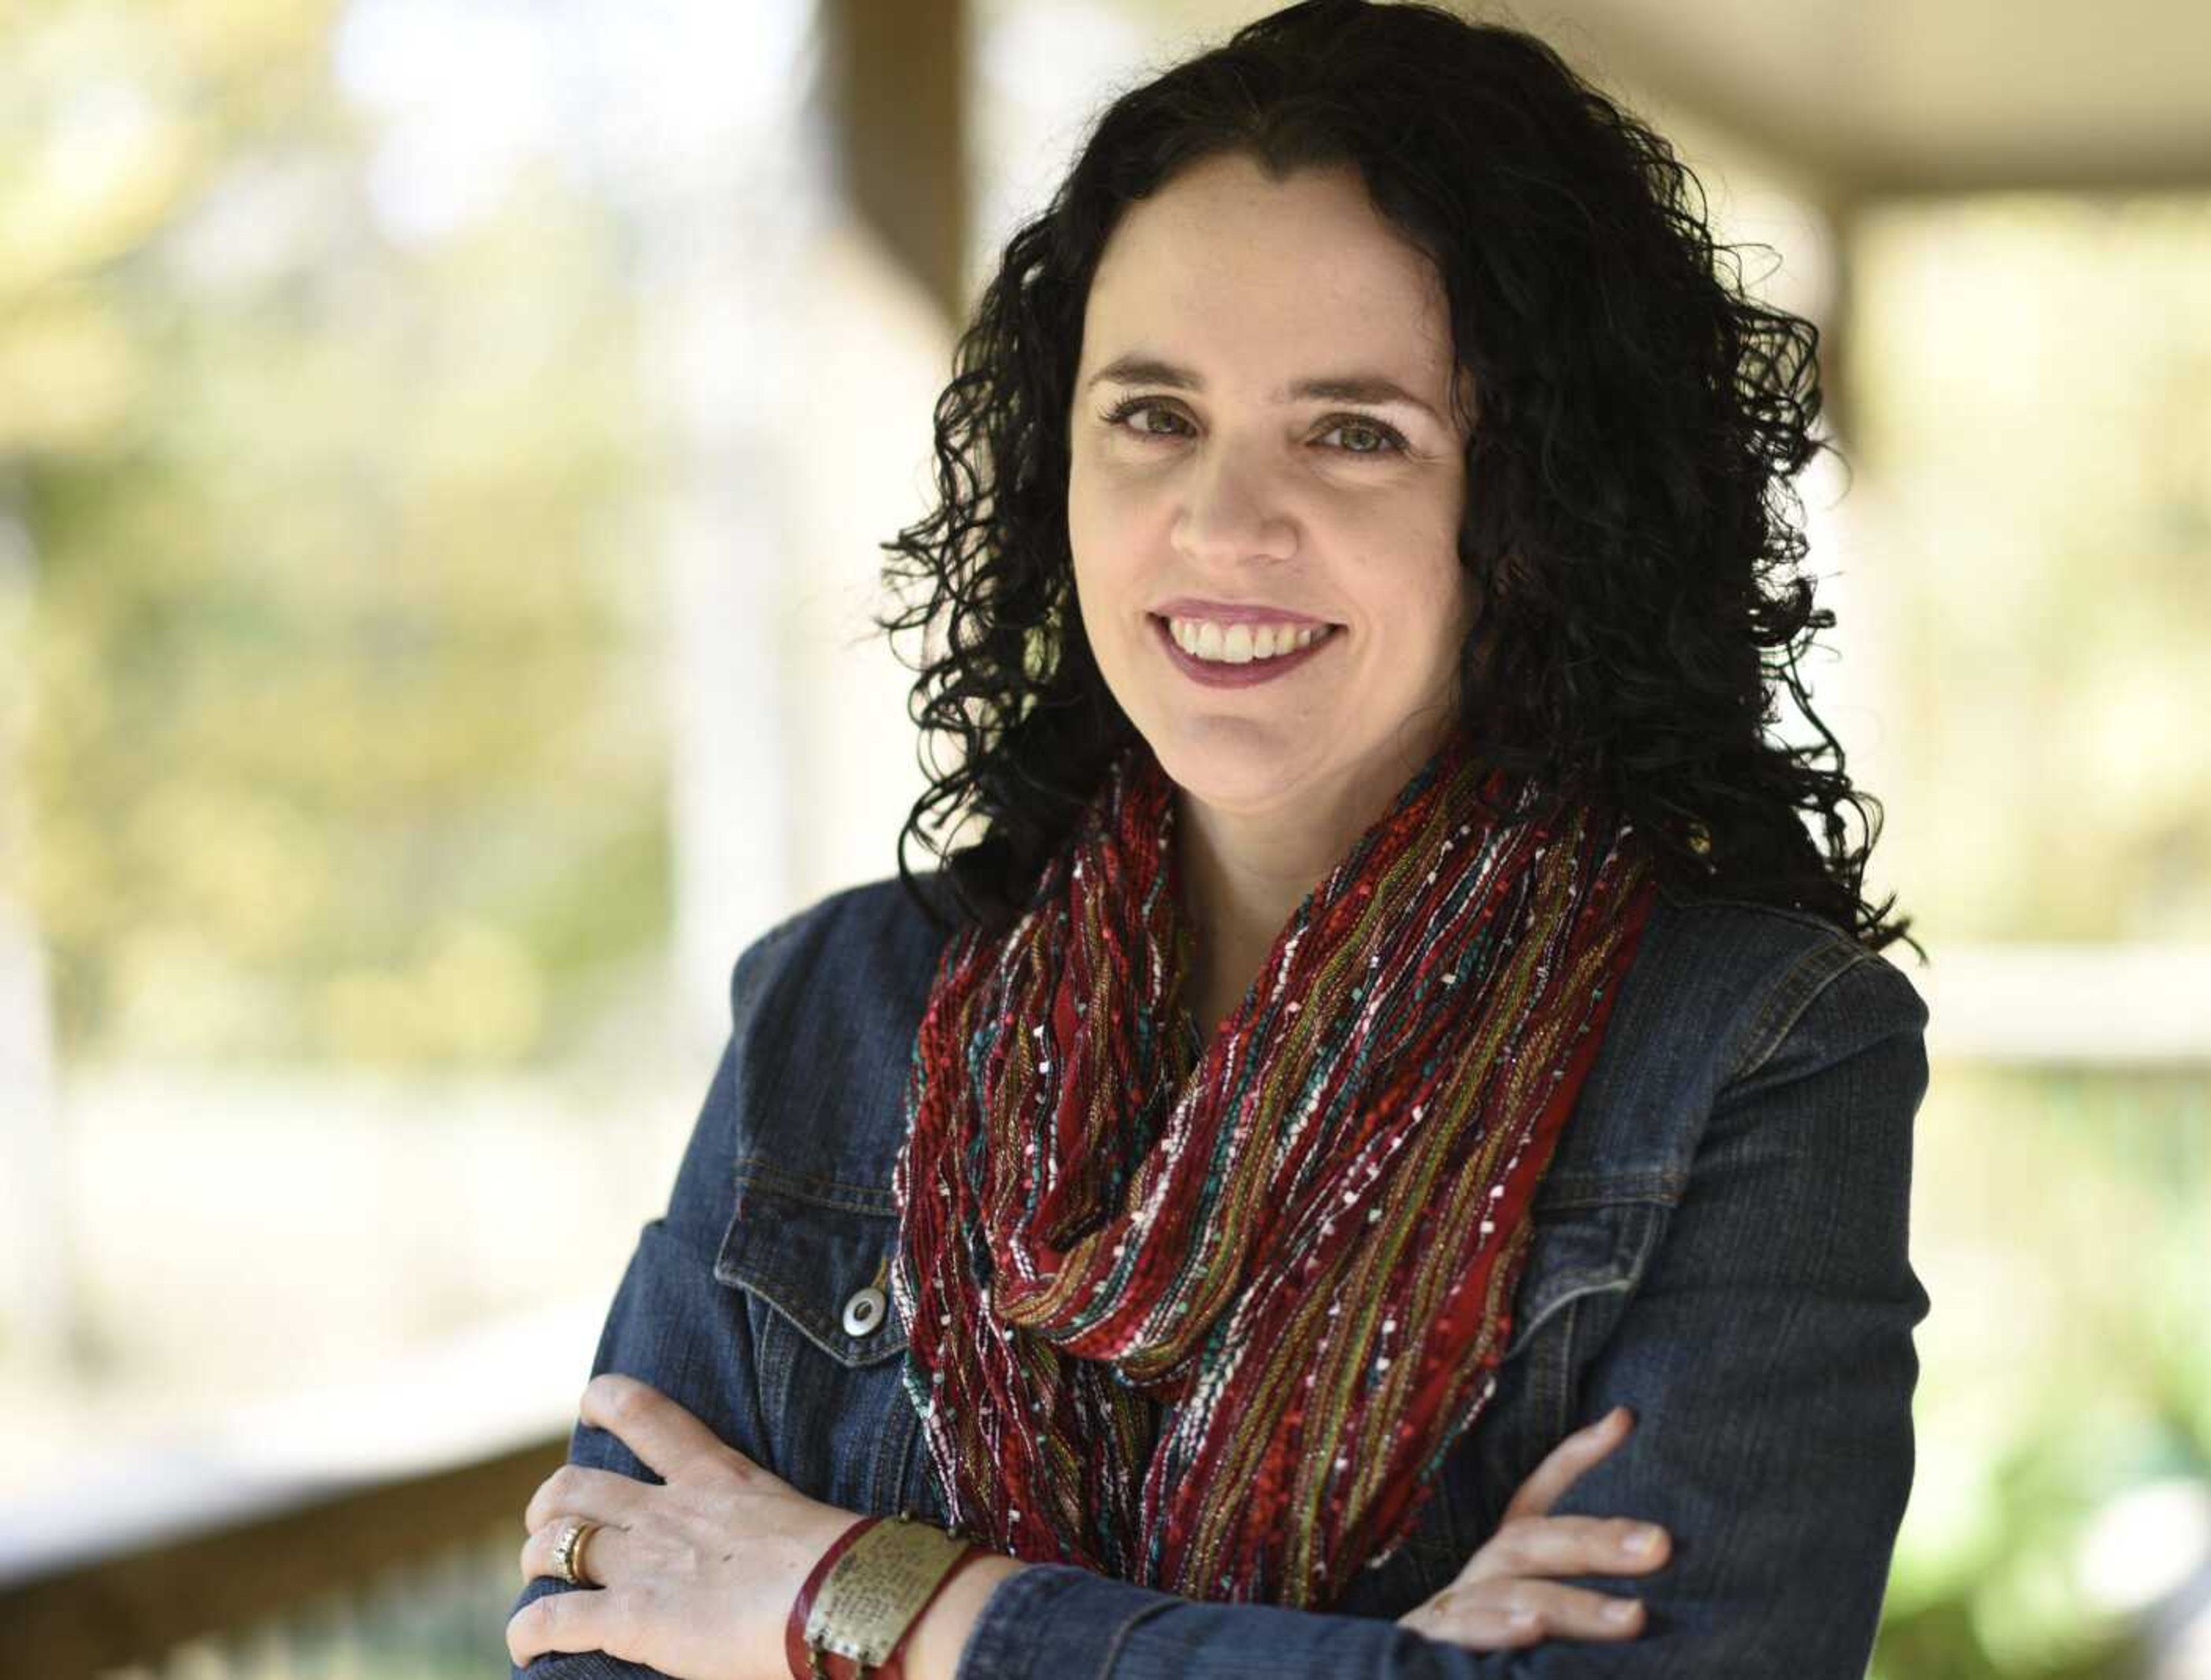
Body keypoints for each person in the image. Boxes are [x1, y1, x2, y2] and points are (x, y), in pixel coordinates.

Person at [505, 1, 1928, 1675]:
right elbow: (604, 1620)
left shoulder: (1756, 1054)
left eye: (1354, 432)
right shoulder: (834, 1008)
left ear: (1541, 509)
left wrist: (864, 1603)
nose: (1222, 520)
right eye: (1154, 415)